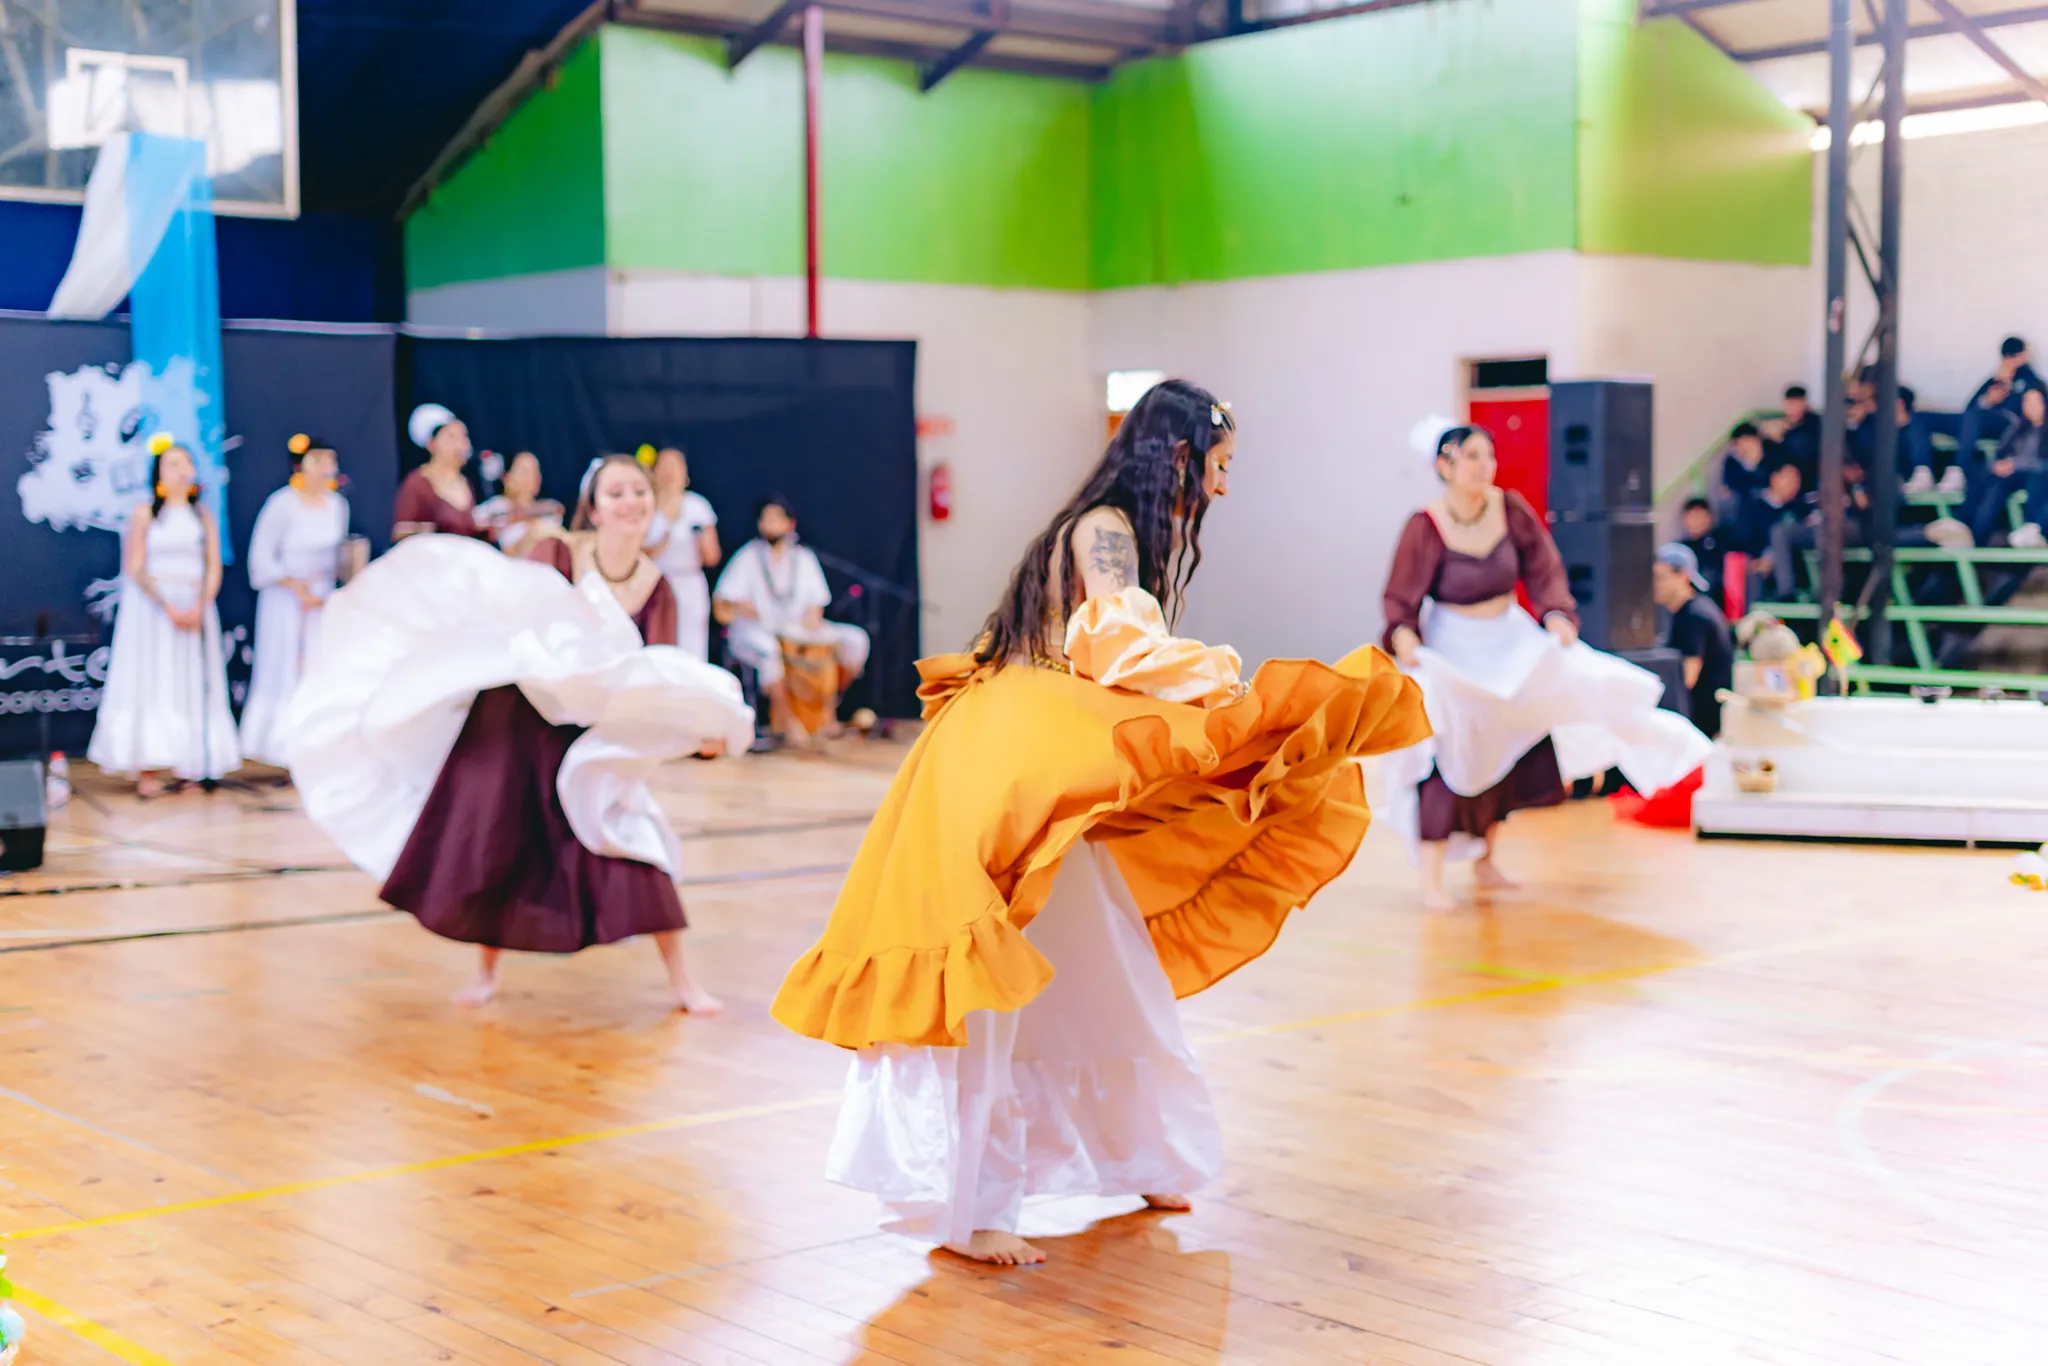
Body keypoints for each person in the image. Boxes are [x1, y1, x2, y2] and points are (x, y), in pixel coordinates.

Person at [770, 380, 1429, 1266]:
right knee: (997, 993)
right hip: (1008, 762)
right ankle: (980, 1213)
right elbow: (1119, 648)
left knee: (1103, 962)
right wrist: (1232, 687)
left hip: (1039, 753)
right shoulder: (1106, 529)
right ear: (1182, 456)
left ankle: (1142, 1155)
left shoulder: (1111, 530)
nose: (1224, 489)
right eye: (1221, 467)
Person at [286, 455, 758, 1011]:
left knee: (635, 836)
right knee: (496, 840)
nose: (630, 502)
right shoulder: (556, 552)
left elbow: (653, 670)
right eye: (616, 493)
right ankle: (486, 973)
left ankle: (683, 983)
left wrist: (693, 721)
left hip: (585, 734)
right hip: (517, 720)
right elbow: (517, 623)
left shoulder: (659, 589)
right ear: (595, 507)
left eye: (638, 491)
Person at [1378, 424, 1711, 913]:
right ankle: (1431, 877)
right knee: (1449, 748)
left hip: (1508, 637)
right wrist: (1404, 639)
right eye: (1472, 456)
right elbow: (1400, 600)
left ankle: (1487, 859)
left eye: (1488, 455)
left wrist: (1557, 614)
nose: (1484, 465)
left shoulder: (1509, 509)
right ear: (1444, 465)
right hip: (1454, 648)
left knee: (1545, 711)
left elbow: (1544, 569)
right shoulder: (1423, 525)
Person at [86, 434, 240, 797]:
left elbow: (213, 566)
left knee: (190, 682)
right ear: (158, 471)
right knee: (153, 679)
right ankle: (149, 768)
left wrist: (200, 604)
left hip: (194, 604)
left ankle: (192, 767)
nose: (180, 470)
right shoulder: (144, 513)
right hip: (153, 609)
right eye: (172, 463)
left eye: (185, 462)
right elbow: (135, 567)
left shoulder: (202, 515)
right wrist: (167, 604)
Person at [714, 496, 869, 740]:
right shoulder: (748, 557)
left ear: (790, 524)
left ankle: (827, 709)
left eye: (777, 519)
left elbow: (816, 602)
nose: (770, 524)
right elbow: (722, 604)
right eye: (766, 519)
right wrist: (742, 607)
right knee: (769, 650)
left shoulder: (803, 558)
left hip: (795, 628)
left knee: (855, 640)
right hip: (756, 630)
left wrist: (812, 624)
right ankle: (786, 720)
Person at [239, 434, 351, 769]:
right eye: (317, 460)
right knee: (286, 669)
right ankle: (283, 751)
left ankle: (321, 749)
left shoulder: (337, 506)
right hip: (286, 601)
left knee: (321, 670)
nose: (325, 468)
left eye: (330, 460)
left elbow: (339, 554)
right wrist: (294, 586)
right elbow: (260, 559)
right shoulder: (282, 504)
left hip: (322, 600)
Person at [645, 445, 721, 660]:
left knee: (691, 645)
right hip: (654, 583)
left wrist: (700, 538)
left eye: (675, 465)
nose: (670, 472)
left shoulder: (697, 506)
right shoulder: (645, 507)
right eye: (664, 465)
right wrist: (664, 536)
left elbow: (712, 556)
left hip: (689, 583)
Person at [1652, 544, 1734, 739]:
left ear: (1683, 577)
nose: (1655, 584)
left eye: (1661, 578)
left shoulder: (1695, 616)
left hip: (1700, 727)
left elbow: (1687, 678)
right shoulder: (1686, 612)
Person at [392, 403, 485, 541]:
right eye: (451, 437)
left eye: (464, 437)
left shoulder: (465, 484)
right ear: (432, 444)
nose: (461, 444)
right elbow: (399, 533)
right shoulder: (418, 484)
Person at [1969, 386, 2048, 548]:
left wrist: (2015, 464)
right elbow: (2001, 452)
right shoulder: (2016, 427)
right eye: (2027, 401)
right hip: (2014, 475)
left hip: (2039, 474)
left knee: (2038, 478)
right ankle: (1975, 537)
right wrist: (2000, 465)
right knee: (1993, 483)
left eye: (2036, 401)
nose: (2031, 406)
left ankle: (2032, 529)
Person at [472, 451, 563, 558]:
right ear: (507, 477)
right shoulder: (495, 507)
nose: (530, 477)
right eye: (524, 471)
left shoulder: (548, 512)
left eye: (534, 471)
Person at [1761, 386, 1821, 489]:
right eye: (1790, 404)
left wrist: (1781, 439)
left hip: (1808, 483)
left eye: (1797, 404)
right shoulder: (1783, 426)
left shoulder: (1814, 425)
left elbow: (1804, 455)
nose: (1793, 410)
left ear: (1805, 405)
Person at [1677, 496, 1732, 606]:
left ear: (1708, 518)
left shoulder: (1721, 544)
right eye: (1691, 516)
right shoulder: (1679, 550)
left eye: (1699, 516)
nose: (1695, 521)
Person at [1718, 421, 1769, 520]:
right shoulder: (1732, 461)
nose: (1746, 446)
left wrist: (1757, 463)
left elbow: (1772, 478)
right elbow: (1732, 484)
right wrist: (1749, 464)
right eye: (1741, 442)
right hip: (1746, 503)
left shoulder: (1769, 452)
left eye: (1749, 441)